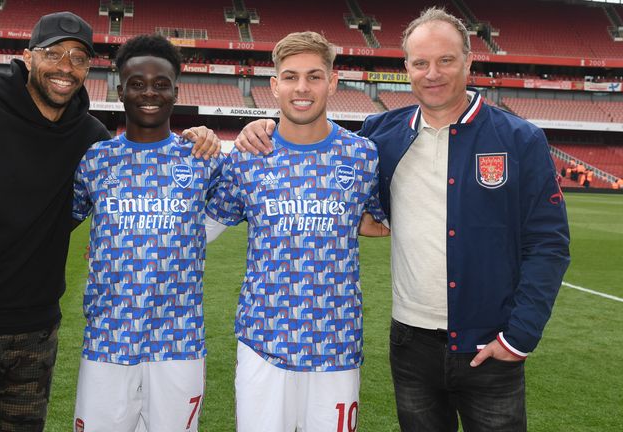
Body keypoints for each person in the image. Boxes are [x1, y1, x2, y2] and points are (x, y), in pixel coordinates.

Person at [235, 8, 570, 432]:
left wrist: (520, 335)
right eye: (420, 62)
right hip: (411, 342)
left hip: (489, 340)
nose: (433, 73)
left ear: (469, 61)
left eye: (446, 60)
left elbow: (549, 242)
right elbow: (324, 162)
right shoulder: (382, 136)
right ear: (406, 68)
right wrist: (261, 126)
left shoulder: (520, 139)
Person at [0, 12, 219, 431]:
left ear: (87, 70)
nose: (66, 66)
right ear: (28, 57)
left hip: (35, 330)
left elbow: (127, 176)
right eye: (53, 53)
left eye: (78, 57)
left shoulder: (90, 140)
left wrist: (201, 136)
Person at [206, 31, 385, 432]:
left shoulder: (363, 155)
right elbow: (206, 224)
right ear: (274, 85)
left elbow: (382, 222)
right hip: (262, 342)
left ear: (333, 82)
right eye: (290, 77)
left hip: (336, 343)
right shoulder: (248, 156)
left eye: (314, 76)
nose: (301, 88)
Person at [71, 34, 224, 432]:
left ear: (176, 90)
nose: (149, 93)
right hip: (108, 337)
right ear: (120, 90)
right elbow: (55, 222)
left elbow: (236, 206)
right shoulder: (97, 160)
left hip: (179, 341)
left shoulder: (202, 159)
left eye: (161, 84)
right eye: (137, 84)